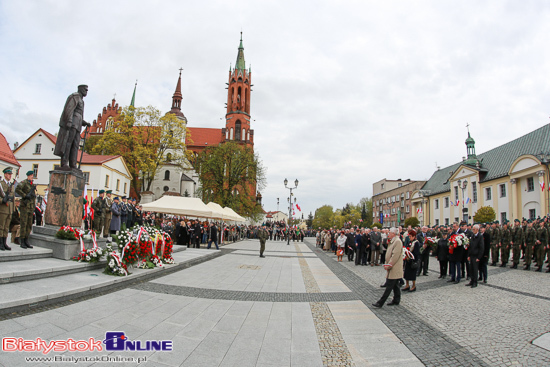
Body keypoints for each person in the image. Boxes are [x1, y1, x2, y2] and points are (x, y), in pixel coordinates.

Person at [53, 85, 91, 170]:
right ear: (81, 89)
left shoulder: (82, 101)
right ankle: (64, 163)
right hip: (72, 124)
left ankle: (73, 164)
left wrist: (84, 123)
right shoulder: (75, 96)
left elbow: (79, 114)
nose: (86, 91)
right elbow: (69, 110)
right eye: (85, 90)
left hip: (78, 126)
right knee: (68, 143)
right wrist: (69, 121)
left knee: (75, 145)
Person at [372, 227, 404, 308]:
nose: (388, 234)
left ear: (393, 233)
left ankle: (380, 302)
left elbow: (395, 255)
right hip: (392, 267)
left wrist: (389, 265)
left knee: (389, 286)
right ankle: (396, 299)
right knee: (395, 285)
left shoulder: (397, 241)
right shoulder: (393, 241)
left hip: (394, 267)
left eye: (389, 233)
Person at [15, 170, 36, 249]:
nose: (32, 177)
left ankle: (27, 239)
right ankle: (22, 240)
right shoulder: (24, 182)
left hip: (30, 207)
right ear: (28, 176)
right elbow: (17, 189)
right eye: (30, 175)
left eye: (32, 176)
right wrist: (24, 195)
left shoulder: (32, 184)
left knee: (29, 224)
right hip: (25, 206)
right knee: (24, 224)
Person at [0, 167, 15, 251]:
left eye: (10, 174)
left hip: (9, 209)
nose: (10, 176)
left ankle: (4, 242)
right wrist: (2, 200)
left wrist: (12, 210)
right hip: (2, 208)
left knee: (6, 227)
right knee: (1, 226)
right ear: (5, 174)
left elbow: (12, 198)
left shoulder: (11, 185)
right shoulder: (1, 184)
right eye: (8, 174)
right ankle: (0, 243)